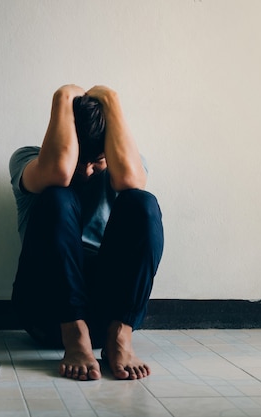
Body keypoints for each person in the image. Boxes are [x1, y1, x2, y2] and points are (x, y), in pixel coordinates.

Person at [9, 84, 164, 381]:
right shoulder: (29, 160)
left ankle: (121, 336)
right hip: (47, 310)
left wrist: (111, 99)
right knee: (57, 195)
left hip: (106, 316)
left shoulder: (125, 164)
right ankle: (75, 335)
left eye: (98, 162)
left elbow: (132, 180)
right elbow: (58, 172)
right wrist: (63, 95)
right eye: (81, 161)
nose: (88, 172)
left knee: (143, 202)